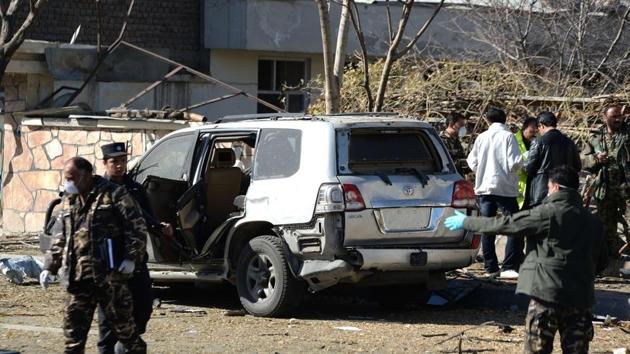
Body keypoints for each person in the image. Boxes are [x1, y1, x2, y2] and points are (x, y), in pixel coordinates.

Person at [444, 166, 606, 354]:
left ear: (556, 188)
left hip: (546, 297)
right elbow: (602, 260)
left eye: (548, 187)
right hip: (580, 299)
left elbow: (506, 224)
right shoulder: (593, 221)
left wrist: (466, 222)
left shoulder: (546, 213)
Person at [39, 157, 147, 354]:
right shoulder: (68, 200)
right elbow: (59, 237)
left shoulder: (114, 194)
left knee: (126, 334)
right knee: (72, 338)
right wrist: (49, 266)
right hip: (77, 280)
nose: (69, 183)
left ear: (87, 175)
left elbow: (137, 228)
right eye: (66, 178)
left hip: (110, 279)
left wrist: (132, 257)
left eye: (72, 178)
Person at [97, 142, 172, 354]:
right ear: (105, 163)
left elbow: (147, 217)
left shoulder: (135, 189)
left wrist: (161, 227)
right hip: (109, 262)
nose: (120, 166)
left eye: (122, 161)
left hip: (136, 260)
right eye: (114, 162)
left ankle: (128, 341)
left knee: (144, 306)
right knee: (108, 318)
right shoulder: (98, 191)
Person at [466, 107, 523, 278]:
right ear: (504, 120)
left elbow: (472, 161)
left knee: (487, 228)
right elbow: (514, 163)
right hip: (505, 187)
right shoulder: (508, 137)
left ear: (488, 121)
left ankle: (490, 267)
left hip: (484, 186)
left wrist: (482, 171)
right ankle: (509, 266)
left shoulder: (481, 137)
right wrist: (522, 165)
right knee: (513, 227)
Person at [581, 105, 629, 275]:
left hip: (626, 190)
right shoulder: (596, 137)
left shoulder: (627, 134)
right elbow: (582, 159)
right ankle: (611, 266)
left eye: (619, 116)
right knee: (606, 228)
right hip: (605, 190)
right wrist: (596, 159)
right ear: (604, 118)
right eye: (614, 116)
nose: (618, 119)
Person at [525, 112, 581, 208]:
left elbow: (530, 168)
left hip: (542, 188)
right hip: (565, 187)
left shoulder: (538, 141)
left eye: (538, 128)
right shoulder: (569, 142)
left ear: (542, 125)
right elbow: (577, 166)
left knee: (542, 219)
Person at [515, 117, 538, 209]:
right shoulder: (513, 141)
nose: (535, 131)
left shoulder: (538, 142)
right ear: (524, 127)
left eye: (537, 127)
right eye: (532, 128)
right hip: (517, 182)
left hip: (532, 183)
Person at [440, 111, 472, 175]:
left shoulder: (456, 140)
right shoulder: (441, 140)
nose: (463, 128)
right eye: (461, 125)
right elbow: (446, 162)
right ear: (451, 124)